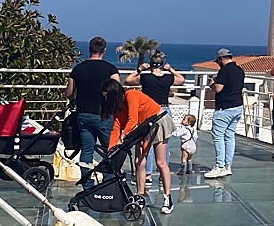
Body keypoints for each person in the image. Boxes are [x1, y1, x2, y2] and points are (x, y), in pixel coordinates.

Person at [102, 79, 177, 214]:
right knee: (139, 162)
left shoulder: (131, 95)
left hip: (158, 121)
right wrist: (110, 151)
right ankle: (140, 195)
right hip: (144, 127)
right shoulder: (118, 108)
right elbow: (116, 127)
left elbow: (132, 119)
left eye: (107, 96)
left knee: (160, 162)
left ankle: (168, 198)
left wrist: (123, 138)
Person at [64, 36, 120, 188]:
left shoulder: (78, 69)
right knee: (109, 150)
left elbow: (69, 93)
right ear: (104, 50)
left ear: (89, 49)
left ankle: (87, 183)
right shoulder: (110, 70)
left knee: (87, 150)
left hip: (83, 115)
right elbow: (117, 90)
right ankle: (108, 181)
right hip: (104, 115)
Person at [126, 50, 186, 183]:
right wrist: (171, 69)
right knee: (165, 144)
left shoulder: (146, 78)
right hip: (164, 111)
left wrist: (140, 69)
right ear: (162, 63)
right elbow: (181, 80)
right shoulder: (168, 78)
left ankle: (146, 175)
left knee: (147, 143)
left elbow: (128, 80)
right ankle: (162, 174)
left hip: (150, 111)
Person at [206, 48, 244, 178]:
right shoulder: (240, 70)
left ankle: (219, 166)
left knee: (218, 136)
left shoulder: (224, 70)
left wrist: (212, 84)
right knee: (229, 136)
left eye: (218, 61)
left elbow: (218, 88)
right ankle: (228, 166)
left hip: (225, 108)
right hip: (237, 106)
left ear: (222, 59)